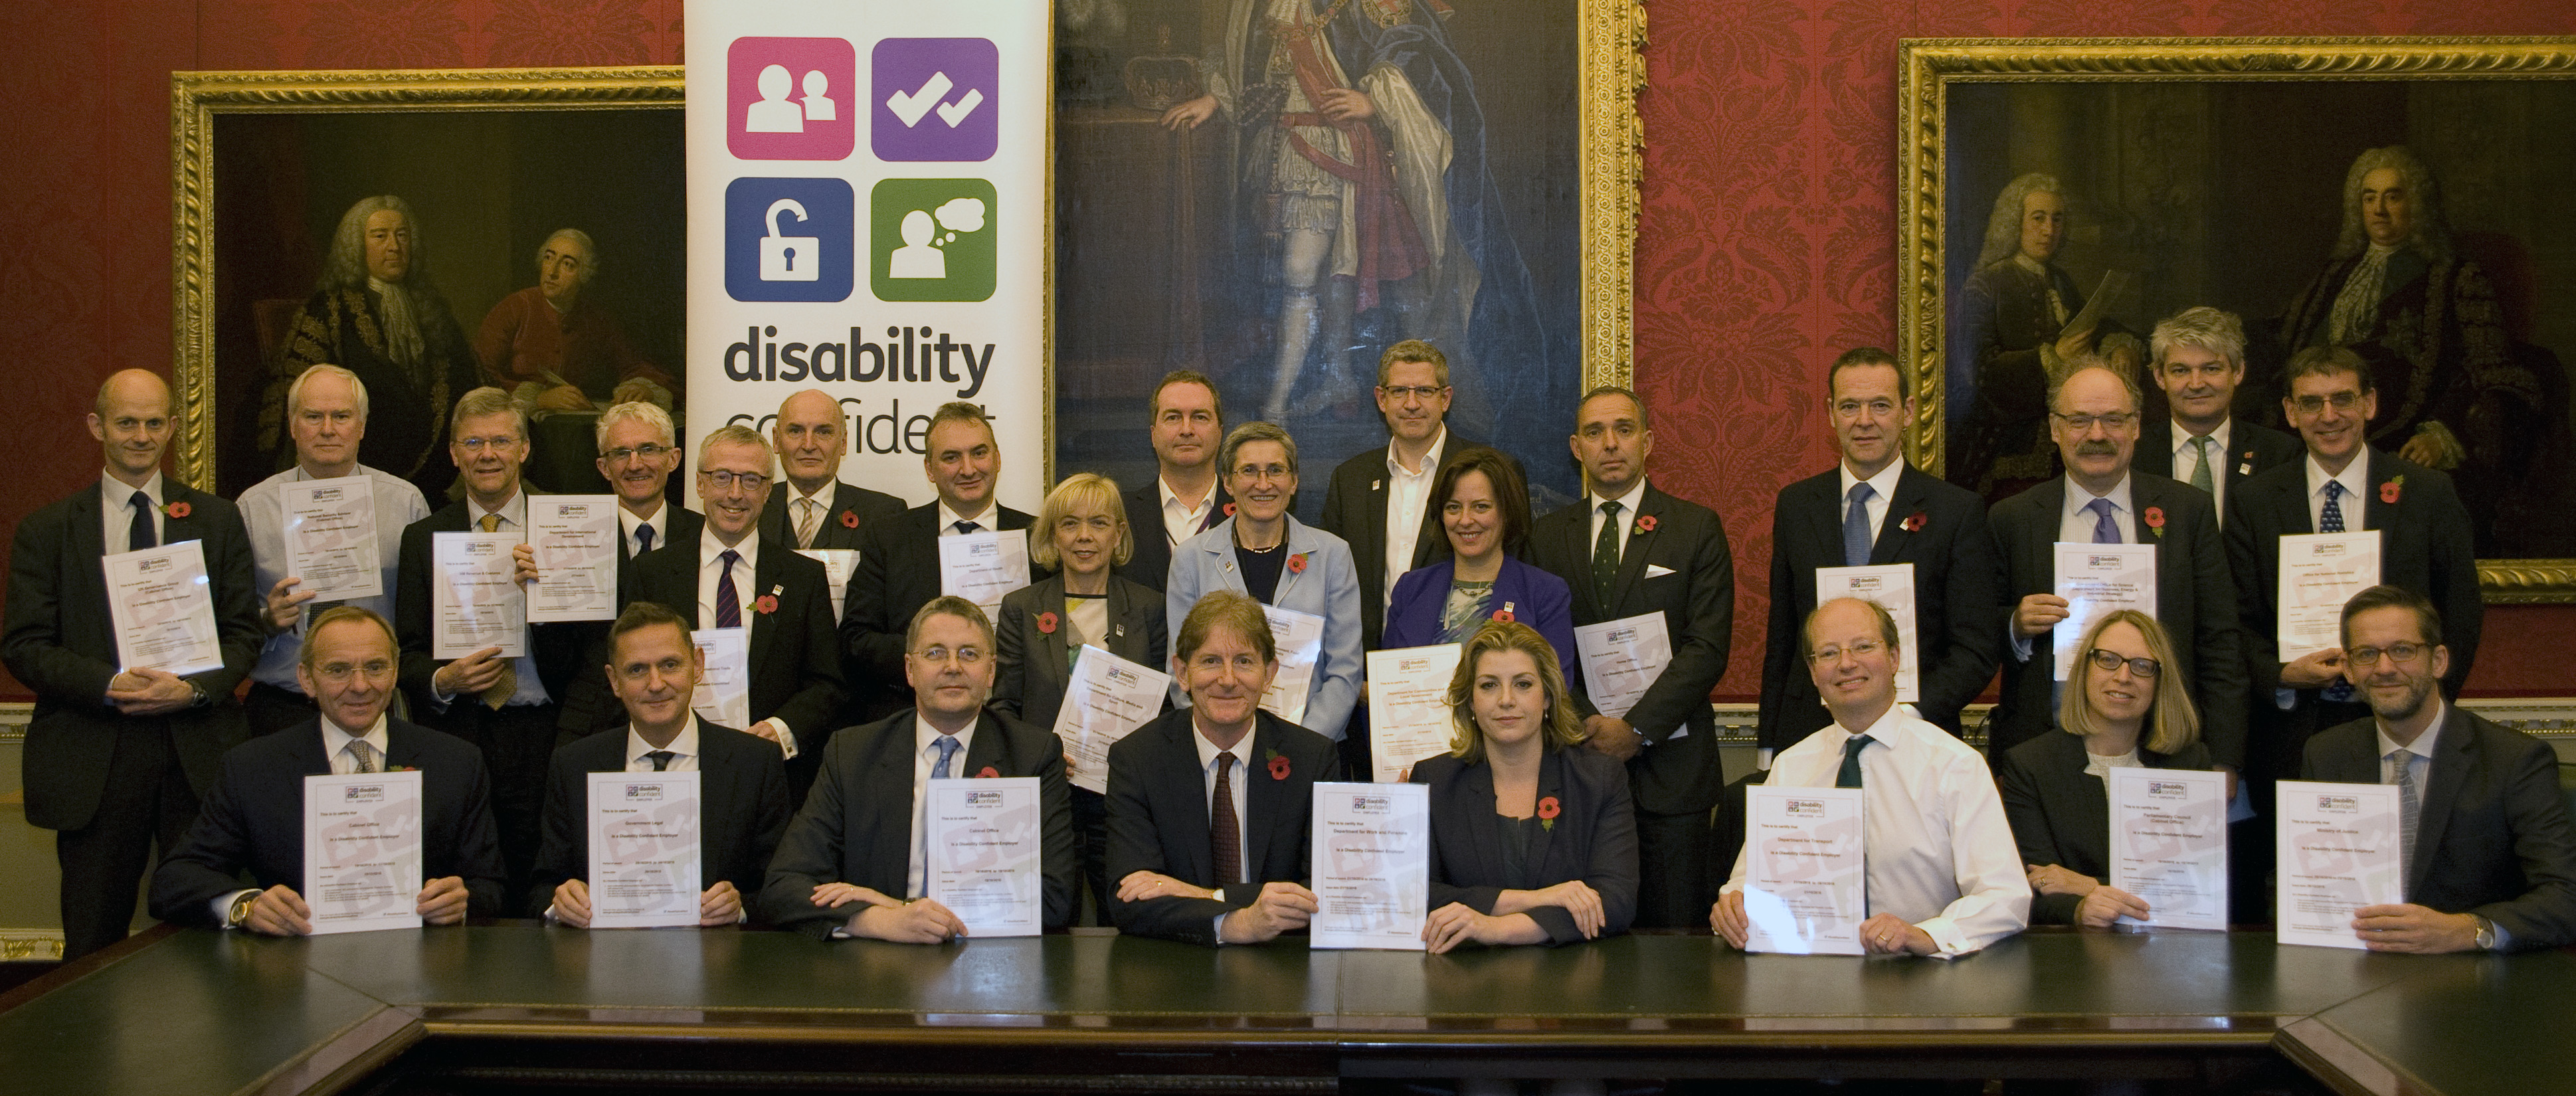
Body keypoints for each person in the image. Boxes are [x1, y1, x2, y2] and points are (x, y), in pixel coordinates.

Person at [1158, 0, 1548, 429]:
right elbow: (1255, 63)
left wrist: (1375, 99)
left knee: (1303, 271)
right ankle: (1338, 380)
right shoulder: (1264, 4)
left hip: (1342, 147)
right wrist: (1217, 98)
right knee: (1331, 271)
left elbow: (1415, 48)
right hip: (1285, 148)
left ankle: (1276, 404)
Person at [3, 369, 264, 960]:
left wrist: (193, 690)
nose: (141, 436)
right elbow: (24, 644)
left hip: (195, 751)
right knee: (93, 937)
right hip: (96, 755)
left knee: (207, 935)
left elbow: (244, 634)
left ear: (173, 427)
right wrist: (110, 683)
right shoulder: (48, 531)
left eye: (154, 423)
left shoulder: (217, 520)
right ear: (98, 427)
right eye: (126, 422)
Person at [146, 607, 505, 934]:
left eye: (376, 667)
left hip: (423, 967)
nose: (360, 686)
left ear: (395, 673)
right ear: (306, 679)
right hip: (294, 971)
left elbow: (491, 887)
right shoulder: (252, 767)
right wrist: (246, 906)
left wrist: (461, 900)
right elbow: (174, 881)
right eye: (338, 670)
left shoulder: (457, 762)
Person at [1522, 387, 1733, 929]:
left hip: (1674, 774)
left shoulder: (1695, 527)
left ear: (1648, 441)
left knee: (1674, 948)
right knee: (1586, 938)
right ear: (1576, 446)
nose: (1609, 443)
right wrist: (1590, 724)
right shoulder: (1546, 538)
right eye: (1594, 432)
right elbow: (1542, 650)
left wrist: (1635, 729)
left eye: (1623, 429)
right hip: (1580, 767)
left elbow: (1707, 649)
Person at [1712, 598, 2029, 958]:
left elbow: (2006, 897)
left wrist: (1925, 934)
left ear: (1895, 658)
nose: (1847, 664)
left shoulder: (1954, 765)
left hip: (1919, 978)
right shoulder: (1791, 766)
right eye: (1829, 653)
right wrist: (1733, 902)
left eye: (1864, 647)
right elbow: (1749, 880)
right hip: (1808, 979)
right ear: (1813, 672)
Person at [2229, 345, 2484, 772]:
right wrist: (2282, 675)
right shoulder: (2254, 501)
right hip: (2291, 731)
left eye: (2343, 399)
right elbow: (2236, 617)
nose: (2328, 416)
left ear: (2369, 403)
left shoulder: (2427, 493)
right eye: (2311, 402)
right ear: (2291, 412)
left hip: (2404, 722)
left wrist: (2422, 698)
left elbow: (2460, 611)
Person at [761, 597, 1075, 941]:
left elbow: (1055, 897)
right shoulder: (852, 754)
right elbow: (784, 885)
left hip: (988, 966)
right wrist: (873, 919)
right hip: (877, 965)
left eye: (969, 653)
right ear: (910, 670)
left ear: (991, 671)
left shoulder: (1033, 757)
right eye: (936, 653)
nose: (953, 666)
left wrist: (908, 911)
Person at [1987, 361, 2247, 776]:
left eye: (2113, 419)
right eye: (2079, 421)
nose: (2097, 435)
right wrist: (2017, 623)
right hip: (2046, 751)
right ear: (2055, 429)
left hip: (2165, 746)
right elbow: (1979, 626)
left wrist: (2223, 758)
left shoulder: (2186, 512)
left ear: (2136, 426)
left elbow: (2220, 641)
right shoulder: (2013, 518)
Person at [2278, 147, 2540, 553]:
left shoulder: (2455, 279)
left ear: (2416, 203)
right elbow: (2286, 347)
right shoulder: (2335, 275)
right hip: (2323, 432)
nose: (2379, 209)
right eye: (2369, 197)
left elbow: (2488, 371)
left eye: (2393, 196)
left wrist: (2443, 433)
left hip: (2400, 442)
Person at [394, 387, 594, 908]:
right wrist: (443, 681)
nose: (488, 454)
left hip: (550, 731)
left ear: (524, 449)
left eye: (501, 441)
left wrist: (547, 596)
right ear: (455, 453)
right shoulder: (422, 537)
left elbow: (600, 648)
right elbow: (407, 651)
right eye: (474, 442)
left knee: (543, 884)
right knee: (469, 884)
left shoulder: (572, 524)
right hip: (460, 733)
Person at [2298, 586, 2576, 953]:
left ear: (2439, 660)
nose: (2384, 668)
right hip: (2353, 966)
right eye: (2367, 654)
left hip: (2471, 981)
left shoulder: (2515, 759)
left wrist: (2469, 930)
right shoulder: (2326, 753)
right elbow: (2296, 874)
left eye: (2402, 650)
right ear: (2349, 670)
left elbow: (2565, 895)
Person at [1760, 347, 1999, 751]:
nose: (1864, 421)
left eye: (1880, 406)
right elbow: (1782, 638)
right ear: (1831, 412)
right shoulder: (1797, 506)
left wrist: (1903, 715)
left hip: (1920, 738)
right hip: (1810, 736)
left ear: (1907, 411)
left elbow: (1975, 649)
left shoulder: (1956, 511)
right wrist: (1769, 746)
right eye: (1850, 406)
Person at [530, 602, 790, 927]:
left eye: (670, 665)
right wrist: (562, 902)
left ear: (697, 666)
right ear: (614, 680)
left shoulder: (755, 763)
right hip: (607, 963)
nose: (655, 684)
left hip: (719, 965)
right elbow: (541, 886)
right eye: (637, 670)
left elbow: (782, 890)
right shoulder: (573, 765)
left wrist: (740, 907)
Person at [1106, 591, 1342, 946]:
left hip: (1283, 968)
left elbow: (1323, 892)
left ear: (1269, 674)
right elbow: (1127, 899)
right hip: (1179, 965)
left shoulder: (1313, 759)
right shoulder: (1137, 759)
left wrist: (1207, 897)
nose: (1229, 679)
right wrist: (1237, 924)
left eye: (1245, 662)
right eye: (1211, 661)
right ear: (1182, 673)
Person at [628, 426, 846, 796]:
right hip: (673, 771)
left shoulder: (803, 577)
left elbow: (828, 683)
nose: (735, 493)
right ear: (699, 484)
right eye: (722, 478)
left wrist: (781, 729)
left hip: (771, 777)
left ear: (767, 491)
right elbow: (629, 669)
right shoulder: (652, 573)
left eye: (750, 480)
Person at [993, 472, 1168, 924]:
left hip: (1124, 799)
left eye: (1099, 523)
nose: (1085, 537)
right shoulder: (1021, 607)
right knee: (1051, 918)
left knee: (1127, 916)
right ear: (1053, 534)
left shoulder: (1150, 607)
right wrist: (1043, 756)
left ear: (1120, 533)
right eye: (1070, 524)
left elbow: (1166, 706)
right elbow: (1001, 707)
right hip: (1048, 795)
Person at [1412, 620, 1636, 952]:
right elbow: (1416, 894)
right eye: (1488, 685)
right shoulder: (1434, 780)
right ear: (1470, 701)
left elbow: (1616, 900)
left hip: (1571, 981)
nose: (1506, 700)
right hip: (1463, 980)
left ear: (1547, 697)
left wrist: (1497, 928)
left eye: (1523, 684)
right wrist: (1538, 899)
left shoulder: (1599, 778)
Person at [235, 365, 432, 737]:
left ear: (361, 426)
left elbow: (425, 615)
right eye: (313, 417)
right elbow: (227, 620)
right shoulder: (252, 508)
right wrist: (266, 619)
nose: (328, 429)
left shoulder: (405, 504)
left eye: (341, 416)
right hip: (285, 706)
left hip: (375, 705)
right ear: (293, 425)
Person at [1994, 610, 2213, 927]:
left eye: (2141, 666)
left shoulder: (2190, 763)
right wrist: (2079, 909)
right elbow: (2034, 889)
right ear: (2084, 669)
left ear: (2160, 682)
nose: (2123, 677)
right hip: (2071, 955)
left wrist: (2087, 886)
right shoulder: (2030, 765)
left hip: (2169, 948)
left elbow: (2199, 889)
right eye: (2107, 659)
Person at [264, 195, 478, 500]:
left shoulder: (435, 311)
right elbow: (296, 393)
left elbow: (469, 382)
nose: (394, 246)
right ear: (355, 244)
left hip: (434, 485)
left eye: (402, 236)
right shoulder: (329, 310)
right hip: (351, 483)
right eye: (380, 236)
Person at [1165, 422, 1363, 749]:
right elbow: (1182, 669)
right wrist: (1223, 738)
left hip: (1314, 745)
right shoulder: (1191, 559)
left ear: (1294, 481)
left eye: (1275, 470)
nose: (1263, 484)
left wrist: (1302, 744)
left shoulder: (1333, 555)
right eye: (1249, 471)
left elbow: (1346, 670)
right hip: (1220, 746)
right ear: (1227, 482)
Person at [842, 402, 1035, 722]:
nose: (969, 469)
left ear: (998, 459)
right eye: (951, 457)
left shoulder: (1038, 537)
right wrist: (931, 655)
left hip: (1016, 720)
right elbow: (857, 639)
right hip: (911, 719)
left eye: (979, 453)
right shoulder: (890, 536)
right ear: (929, 469)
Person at [1319, 341, 1514, 656]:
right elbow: (1329, 581)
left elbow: (1514, 570)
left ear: (1445, 399)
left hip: (1463, 667)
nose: (1411, 404)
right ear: (1381, 400)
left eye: (1424, 391)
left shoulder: (1488, 471)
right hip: (1367, 672)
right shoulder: (1350, 479)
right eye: (1399, 392)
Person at [1948, 173, 2099, 501]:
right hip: (2004, 452)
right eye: (2038, 218)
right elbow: (1978, 373)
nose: (2049, 230)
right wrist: (2050, 357)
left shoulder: (2061, 281)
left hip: (2063, 453)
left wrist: (2118, 346)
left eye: (2057, 219)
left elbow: (2094, 325)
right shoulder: (1986, 284)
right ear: (2014, 222)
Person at [1384, 446, 1572, 666]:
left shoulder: (1545, 594)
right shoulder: (1410, 590)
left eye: (1481, 507)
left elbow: (1556, 691)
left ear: (1507, 512)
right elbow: (1389, 684)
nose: (1465, 520)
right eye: (1453, 508)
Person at [2132, 308, 2302, 527]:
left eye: (2211, 369)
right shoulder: (2133, 453)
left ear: (2238, 371)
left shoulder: (2280, 454)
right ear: (2159, 377)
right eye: (2180, 371)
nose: (2196, 384)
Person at [473, 228, 675, 412]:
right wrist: (539, 399)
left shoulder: (596, 319)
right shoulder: (515, 308)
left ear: (584, 275)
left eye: (568, 264)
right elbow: (481, 373)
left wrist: (643, 388)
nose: (552, 272)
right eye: (549, 258)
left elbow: (634, 364)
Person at [1115, 370, 1232, 594]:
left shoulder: (1248, 513)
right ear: (1153, 435)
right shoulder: (1120, 514)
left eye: (1200, 417)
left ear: (1220, 434)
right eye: (1173, 418)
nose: (1186, 430)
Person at [761, 388, 905, 555]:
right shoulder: (751, 506)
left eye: (824, 432)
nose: (808, 445)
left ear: (843, 442)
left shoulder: (886, 516)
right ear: (776, 440)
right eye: (796, 431)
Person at [595, 401, 701, 567]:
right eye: (621, 453)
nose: (635, 465)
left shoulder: (704, 534)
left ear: (673, 459)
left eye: (648, 450)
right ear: (604, 467)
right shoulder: (578, 538)